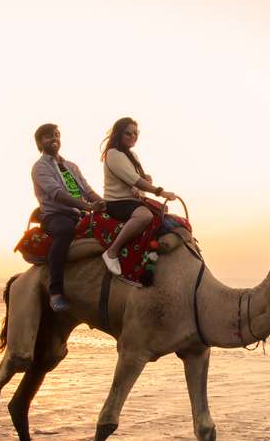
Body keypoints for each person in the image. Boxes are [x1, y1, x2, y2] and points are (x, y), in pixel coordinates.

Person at [31, 123, 106, 312]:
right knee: (64, 232)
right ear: (40, 142)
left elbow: (88, 191)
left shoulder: (71, 166)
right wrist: (88, 207)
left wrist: (104, 204)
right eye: (48, 136)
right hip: (55, 215)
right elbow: (57, 194)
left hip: (79, 213)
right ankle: (55, 292)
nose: (54, 139)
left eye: (56, 135)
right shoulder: (40, 167)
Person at [99, 117, 177, 275]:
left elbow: (137, 178)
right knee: (144, 216)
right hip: (117, 201)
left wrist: (145, 178)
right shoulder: (113, 154)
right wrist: (160, 192)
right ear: (119, 134)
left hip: (134, 200)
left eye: (136, 133)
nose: (133, 136)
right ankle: (112, 252)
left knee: (166, 220)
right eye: (128, 133)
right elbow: (135, 180)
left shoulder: (131, 154)